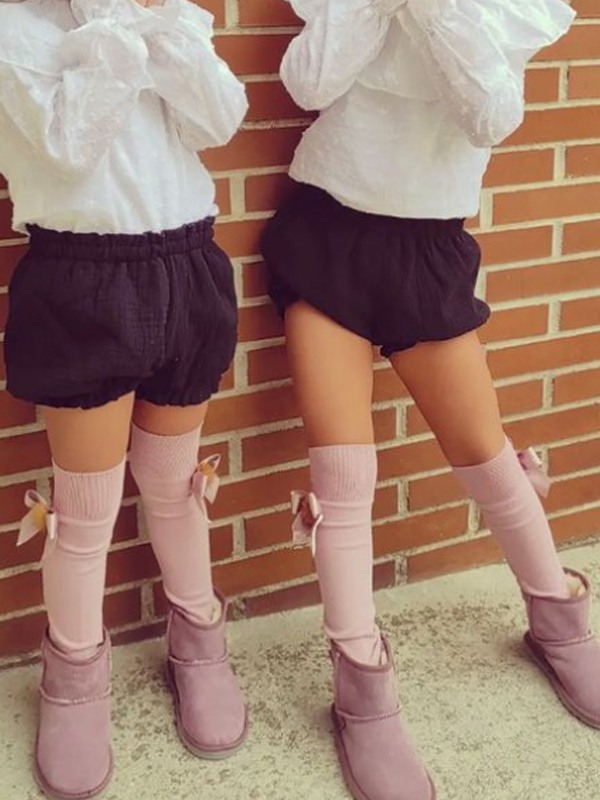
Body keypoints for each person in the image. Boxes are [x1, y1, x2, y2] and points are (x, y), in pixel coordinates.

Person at [261, 2, 595, 799]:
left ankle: (558, 622)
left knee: (485, 453)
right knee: (344, 477)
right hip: (328, 232)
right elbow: (308, 84)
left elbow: (491, 116)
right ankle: (361, 690)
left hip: (428, 247)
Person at [0, 0, 248, 797]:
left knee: (175, 485)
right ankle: (74, 676)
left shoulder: (168, 15)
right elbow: (69, 145)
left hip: (189, 265)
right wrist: (113, 27)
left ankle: (199, 639)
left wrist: (161, 26)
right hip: (81, 277)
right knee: (84, 511)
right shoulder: (14, 28)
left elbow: (219, 119)